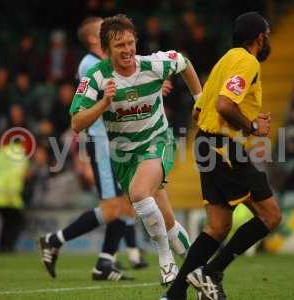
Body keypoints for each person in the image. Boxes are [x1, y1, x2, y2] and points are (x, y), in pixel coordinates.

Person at [69, 14, 202, 285]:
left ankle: (166, 264)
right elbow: (76, 122)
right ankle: (199, 271)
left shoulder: (152, 64)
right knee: (168, 222)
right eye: (120, 46)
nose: (128, 50)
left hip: (157, 142)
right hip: (124, 157)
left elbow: (183, 63)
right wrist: (103, 103)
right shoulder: (95, 77)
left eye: (131, 43)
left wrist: (199, 99)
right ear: (106, 50)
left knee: (141, 195)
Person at [38, 17, 172, 282]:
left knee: (129, 204)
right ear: (94, 39)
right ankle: (55, 240)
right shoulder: (91, 66)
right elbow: (85, 110)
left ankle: (104, 262)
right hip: (101, 144)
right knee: (114, 208)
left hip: (118, 144)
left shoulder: (112, 64)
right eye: (105, 30)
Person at [163, 12, 282, 300]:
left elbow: (197, 110)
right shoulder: (247, 61)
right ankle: (210, 273)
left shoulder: (225, 60)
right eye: (266, 37)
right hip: (222, 146)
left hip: (206, 144)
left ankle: (176, 293)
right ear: (260, 37)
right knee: (270, 216)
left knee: (218, 226)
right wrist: (253, 126)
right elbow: (224, 104)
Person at [0, 141, 29, 253]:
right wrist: (13, 197)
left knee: (8, 221)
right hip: (6, 195)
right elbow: (15, 175)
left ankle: (2, 247)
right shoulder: (19, 154)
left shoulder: (2, 152)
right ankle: (7, 247)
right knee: (16, 221)